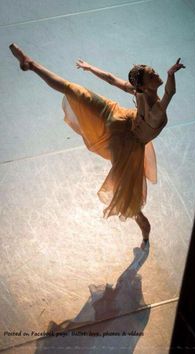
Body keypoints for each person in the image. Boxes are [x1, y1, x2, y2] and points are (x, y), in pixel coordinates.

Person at [9, 43, 185, 246]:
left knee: (72, 89)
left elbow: (111, 79)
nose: (156, 75)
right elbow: (169, 93)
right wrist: (171, 74)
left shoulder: (138, 92)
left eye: (154, 72)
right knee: (128, 193)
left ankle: (32, 65)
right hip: (127, 146)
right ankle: (141, 222)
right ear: (144, 86)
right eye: (152, 75)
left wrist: (90, 68)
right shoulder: (156, 111)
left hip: (119, 117)